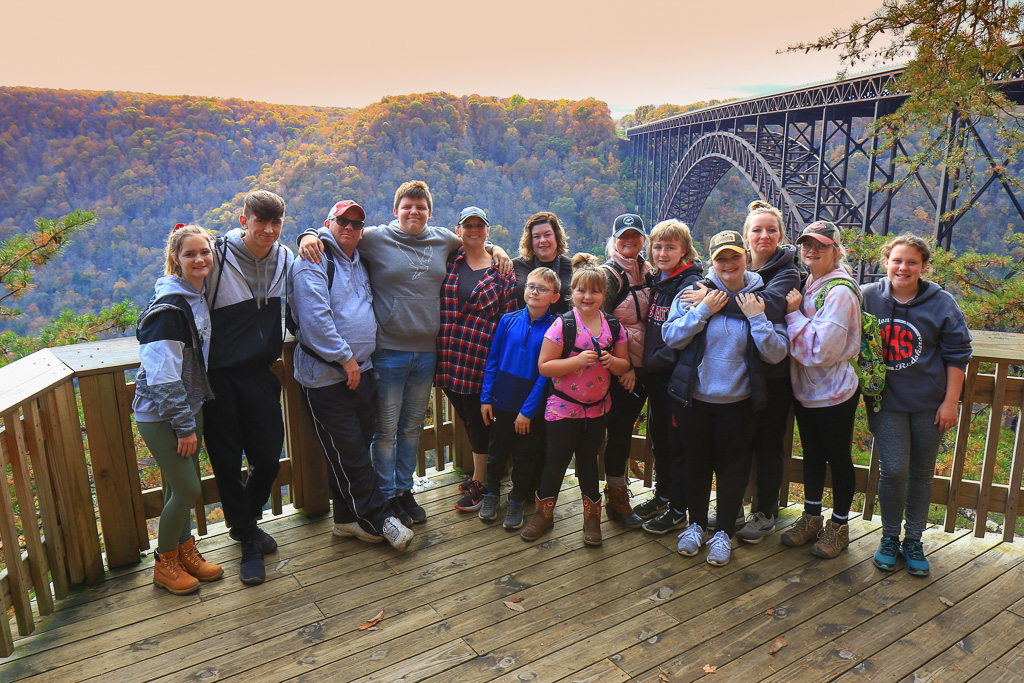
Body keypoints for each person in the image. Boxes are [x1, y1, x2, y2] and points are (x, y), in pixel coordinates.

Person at [297, 181, 510, 527]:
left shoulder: (443, 239)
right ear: (395, 210)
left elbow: (475, 240)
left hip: (427, 354)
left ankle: (404, 490)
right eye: (407, 206)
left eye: (421, 207)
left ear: (430, 213)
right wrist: (308, 235)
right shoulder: (376, 238)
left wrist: (498, 249)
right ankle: (386, 494)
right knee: (385, 430)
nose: (414, 212)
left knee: (411, 428)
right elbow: (339, 234)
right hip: (388, 352)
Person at [286, 200, 414, 551]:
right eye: (342, 220)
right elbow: (314, 322)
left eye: (357, 223)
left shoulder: (359, 257)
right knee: (352, 453)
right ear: (329, 222)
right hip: (326, 377)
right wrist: (347, 360)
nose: (350, 227)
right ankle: (380, 518)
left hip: (362, 372)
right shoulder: (312, 260)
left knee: (347, 451)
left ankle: (344, 520)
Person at [663, 230, 789, 566]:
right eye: (721, 258)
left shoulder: (763, 297)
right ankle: (696, 526)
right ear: (712, 261)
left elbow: (777, 354)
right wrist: (703, 311)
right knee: (697, 465)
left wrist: (757, 319)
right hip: (696, 398)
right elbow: (671, 337)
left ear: (746, 256)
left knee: (733, 469)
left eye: (734, 256)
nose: (728, 263)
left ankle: (723, 534)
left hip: (740, 402)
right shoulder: (693, 294)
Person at [863, 234, 972, 576]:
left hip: (930, 403)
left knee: (922, 474)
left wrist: (950, 401)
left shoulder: (942, 303)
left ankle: (914, 540)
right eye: (897, 260)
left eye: (912, 262)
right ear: (885, 262)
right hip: (886, 401)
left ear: (924, 267)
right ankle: (890, 537)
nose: (903, 267)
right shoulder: (866, 297)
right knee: (894, 470)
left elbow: (958, 354)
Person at [204, 190, 293, 585]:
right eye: (261, 222)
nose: (268, 231)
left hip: (261, 371)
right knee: (226, 461)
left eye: (276, 224)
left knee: (269, 456)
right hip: (218, 375)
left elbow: (327, 242)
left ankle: (244, 526)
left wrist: (310, 234)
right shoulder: (217, 257)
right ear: (244, 220)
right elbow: (180, 286)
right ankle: (249, 543)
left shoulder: (285, 257)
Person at [134, 223, 222, 594]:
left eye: (205, 251)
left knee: (176, 487)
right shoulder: (169, 310)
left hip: (189, 404)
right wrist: (184, 425)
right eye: (190, 254)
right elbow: (162, 376)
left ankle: (185, 553)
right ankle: (164, 563)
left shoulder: (194, 296)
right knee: (187, 490)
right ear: (176, 259)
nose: (199, 259)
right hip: (162, 413)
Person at [521, 255, 631, 546]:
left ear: (603, 295)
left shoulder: (613, 327)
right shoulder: (563, 325)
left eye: (595, 291)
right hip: (563, 407)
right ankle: (543, 515)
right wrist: (578, 360)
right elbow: (544, 366)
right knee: (555, 461)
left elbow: (624, 366)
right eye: (582, 290)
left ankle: (591, 519)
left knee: (588, 462)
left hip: (597, 410)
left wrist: (612, 361)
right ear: (573, 293)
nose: (587, 296)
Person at [782, 221, 861, 559]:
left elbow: (820, 352)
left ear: (836, 250)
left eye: (822, 246)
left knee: (838, 456)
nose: (812, 251)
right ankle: (812, 517)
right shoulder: (809, 281)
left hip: (835, 391)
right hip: (807, 389)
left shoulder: (840, 291)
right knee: (813, 453)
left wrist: (791, 316)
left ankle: (839, 526)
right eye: (807, 245)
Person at [436, 207, 516, 511]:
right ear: (458, 231)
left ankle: (483, 483)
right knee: (469, 419)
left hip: (480, 359)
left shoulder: (501, 271)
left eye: (479, 225)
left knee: (478, 420)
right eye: (467, 225)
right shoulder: (448, 262)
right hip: (447, 358)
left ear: (487, 230)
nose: (473, 230)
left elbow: (507, 320)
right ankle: (482, 475)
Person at [730, 200, 801, 543]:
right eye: (757, 229)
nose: (764, 235)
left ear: (781, 235)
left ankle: (765, 513)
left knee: (769, 444)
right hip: (740, 371)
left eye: (771, 229)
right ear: (746, 236)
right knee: (739, 442)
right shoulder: (736, 266)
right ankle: (735, 506)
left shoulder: (788, 270)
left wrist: (713, 301)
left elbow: (772, 305)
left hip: (773, 376)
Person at [478, 267, 561, 529]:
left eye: (542, 289)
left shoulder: (555, 328)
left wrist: (527, 410)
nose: (534, 292)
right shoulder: (508, 320)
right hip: (501, 400)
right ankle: (491, 494)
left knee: (525, 456)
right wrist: (486, 398)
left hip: (530, 408)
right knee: (496, 451)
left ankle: (516, 500)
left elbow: (544, 376)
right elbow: (493, 360)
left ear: (554, 297)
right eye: (531, 286)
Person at [634, 220, 704, 532]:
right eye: (658, 247)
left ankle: (678, 509)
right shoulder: (659, 280)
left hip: (674, 379)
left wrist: (652, 363)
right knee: (660, 440)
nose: (663, 252)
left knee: (677, 445)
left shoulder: (689, 286)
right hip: (658, 378)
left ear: (685, 251)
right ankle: (664, 495)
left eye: (671, 247)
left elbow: (682, 339)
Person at [600, 213, 654, 529]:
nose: (629, 240)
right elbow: (600, 323)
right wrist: (625, 366)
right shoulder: (610, 276)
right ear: (615, 240)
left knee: (635, 430)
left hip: (648, 368)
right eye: (624, 236)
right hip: (624, 371)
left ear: (643, 239)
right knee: (619, 432)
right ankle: (616, 497)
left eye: (635, 235)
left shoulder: (650, 273)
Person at [512, 212, 573, 314]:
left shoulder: (573, 267)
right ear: (530, 240)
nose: (543, 240)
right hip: (526, 328)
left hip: (564, 328)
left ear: (556, 236)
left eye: (547, 235)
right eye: (536, 236)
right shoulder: (515, 266)